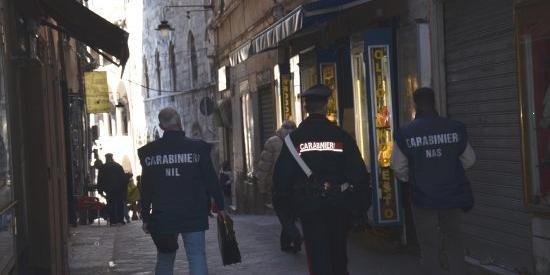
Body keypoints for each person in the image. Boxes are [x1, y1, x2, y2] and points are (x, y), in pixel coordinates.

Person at [273, 84, 371, 275]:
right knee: (339, 258)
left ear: (306, 108)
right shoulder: (341, 136)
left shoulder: (294, 141)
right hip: (339, 206)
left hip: (309, 208)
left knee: (318, 259)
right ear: (326, 105)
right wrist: (359, 209)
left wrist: (288, 220)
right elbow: (359, 174)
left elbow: (281, 181)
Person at [391, 87, 476, 275]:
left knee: (428, 244)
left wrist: (412, 178)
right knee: (454, 240)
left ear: (415, 104)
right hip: (452, 196)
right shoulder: (454, 128)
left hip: (423, 198)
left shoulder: (405, 133)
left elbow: (398, 168)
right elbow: (470, 160)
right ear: (434, 102)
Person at [138, 107, 227, 275]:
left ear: (161, 126)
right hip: (193, 212)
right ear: (179, 122)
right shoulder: (198, 148)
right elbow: (210, 179)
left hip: (163, 214)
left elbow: (146, 187)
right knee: (196, 256)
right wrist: (220, 206)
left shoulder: (149, 152)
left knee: (165, 258)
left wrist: (146, 216)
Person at [255, 120, 299, 253]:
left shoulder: (272, 142)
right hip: (295, 185)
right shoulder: (298, 140)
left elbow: (264, 167)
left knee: (284, 215)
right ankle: (290, 240)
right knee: (289, 215)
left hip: (277, 185)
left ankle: (291, 239)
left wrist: (262, 188)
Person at [97, 153, 127, 225]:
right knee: (120, 204)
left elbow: (100, 179)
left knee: (111, 205)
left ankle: (113, 221)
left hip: (109, 189)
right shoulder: (118, 166)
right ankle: (120, 220)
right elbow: (123, 179)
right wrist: (124, 190)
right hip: (119, 189)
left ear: (106, 158)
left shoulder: (103, 167)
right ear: (112, 158)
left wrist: (100, 190)